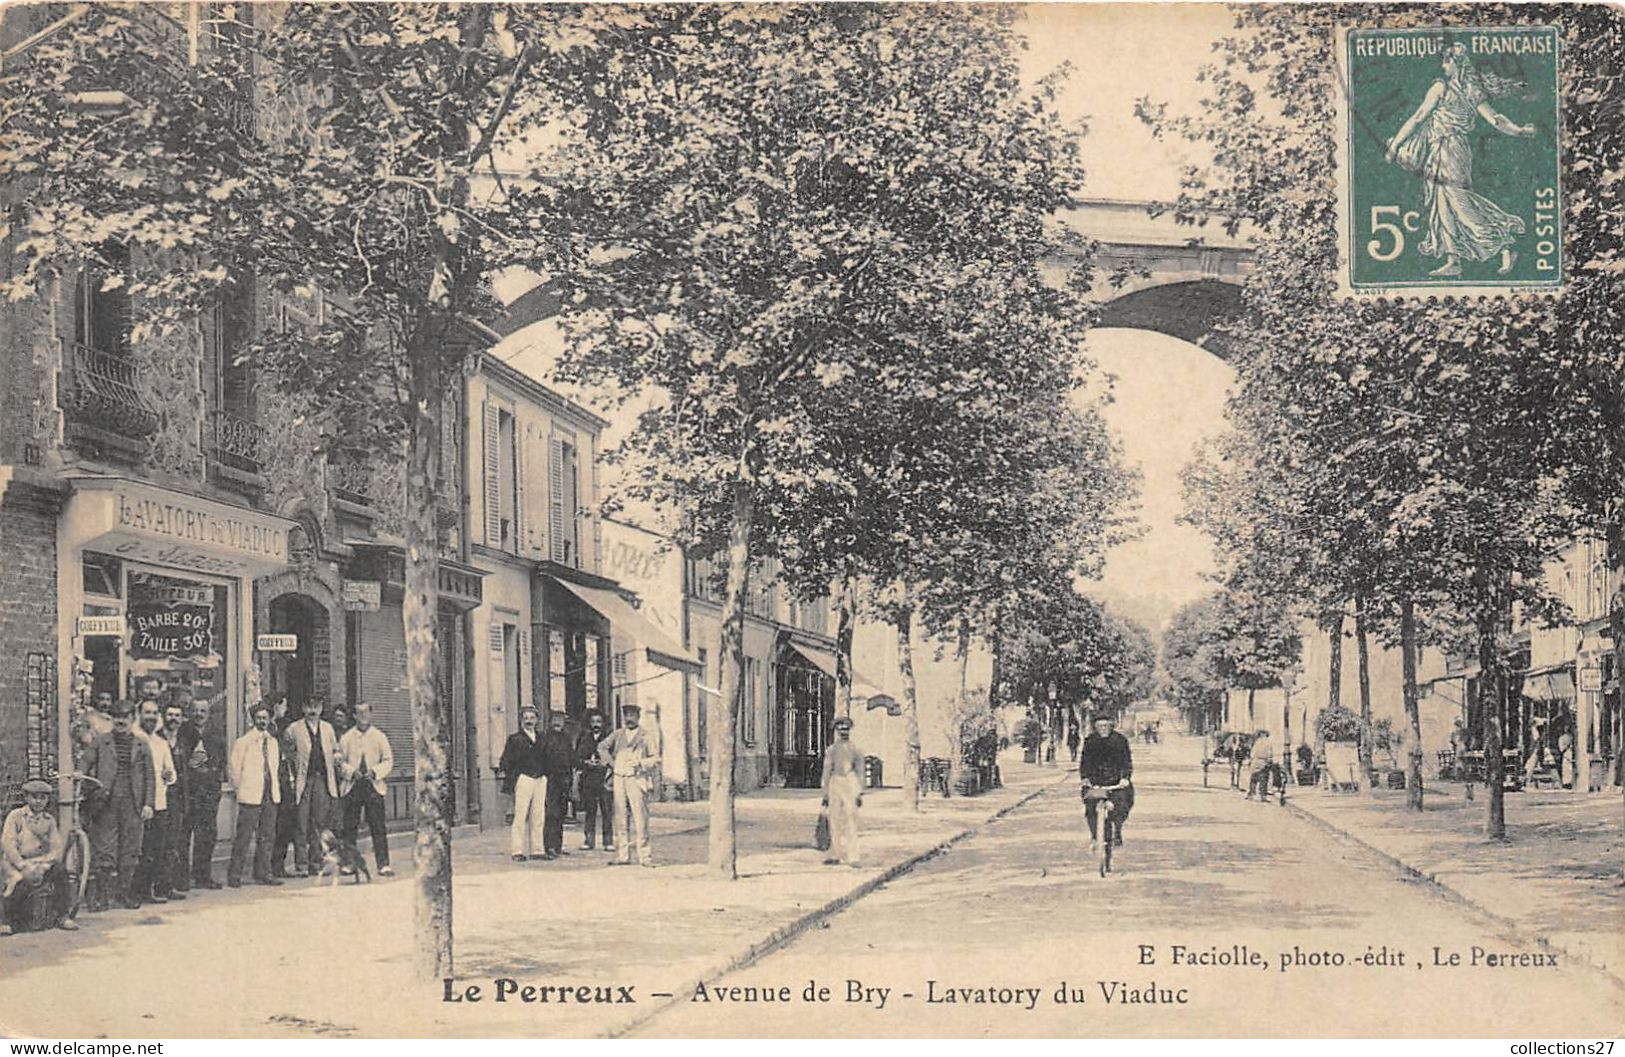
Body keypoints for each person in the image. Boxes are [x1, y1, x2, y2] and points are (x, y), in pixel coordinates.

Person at [1385, 42, 1537, 278]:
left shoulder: (1442, 88)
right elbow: (1495, 119)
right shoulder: (1470, 90)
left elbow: (1418, 118)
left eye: (1447, 61)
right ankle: (1453, 259)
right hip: (1443, 149)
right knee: (1442, 202)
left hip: (1451, 149)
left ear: (1456, 63)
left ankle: (1504, 244)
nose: (1443, 66)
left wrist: (1395, 146)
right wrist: (1518, 131)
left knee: (1458, 200)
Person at [81, 698, 156, 911]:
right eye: (117, 717)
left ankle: (124, 893)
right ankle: (103, 897)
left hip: (133, 803)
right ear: (112, 719)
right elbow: (85, 761)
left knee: (131, 850)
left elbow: (150, 776)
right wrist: (81, 775)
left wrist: (148, 803)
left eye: (125, 716)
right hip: (107, 802)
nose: (121, 721)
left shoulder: (141, 744)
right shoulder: (101, 741)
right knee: (105, 850)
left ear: (133, 719)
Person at [2, 779, 77, 932]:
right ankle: (8, 921)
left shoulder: (49, 821)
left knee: (60, 871)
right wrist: (22, 865)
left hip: (40, 864)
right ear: (27, 798)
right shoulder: (16, 817)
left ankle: (62, 916)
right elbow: (8, 844)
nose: (38, 801)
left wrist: (45, 865)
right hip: (17, 863)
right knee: (16, 882)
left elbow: (56, 848)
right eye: (34, 797)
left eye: (43, 797)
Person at [228, 701, 283, 887]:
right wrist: (239, 790)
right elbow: (234, 769)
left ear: (270, 719)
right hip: (250, 795)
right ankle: (235, 875)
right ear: (253, 720)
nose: (262, 721)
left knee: (267, 836)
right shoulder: (243, 742)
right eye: (258, 718)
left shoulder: (273, 742)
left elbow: (274, 769)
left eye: (265, 718)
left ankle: (263, 873)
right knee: (243, 837)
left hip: (270, 794)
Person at [174, 691, 225, 889]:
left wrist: (215, 784)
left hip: (208, 794)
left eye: (203, 710)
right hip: (188, 793)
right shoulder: (182, 732)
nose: (199, 714)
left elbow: (220, 761)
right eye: (195, 710)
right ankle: (181, 879)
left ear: (209, 713)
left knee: (207, 836)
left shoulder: (215, 734)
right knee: (183, 836)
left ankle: (203, 876)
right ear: (189, 712)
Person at [337, 702, 395, 877]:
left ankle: (383, 864)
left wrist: (375, 772)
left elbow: (388, 760)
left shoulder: (379, 737)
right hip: (353, 786)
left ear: (371, 714)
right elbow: (339, 761)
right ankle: (349, 863)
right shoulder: (346, 738)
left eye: (366, 713)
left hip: (373, 786)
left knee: (378, 826)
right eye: (359, 713)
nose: (363, 716)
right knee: (350, 827)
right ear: (354, 716)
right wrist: (350, 771)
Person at [283, 697, 339, 877]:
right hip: (303, 780)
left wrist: (337, 758)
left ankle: (316, 862)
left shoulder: (328, 729)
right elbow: (287, 754)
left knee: (319, 822)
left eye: (316, 706)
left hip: (321, 780)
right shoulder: (294, 728)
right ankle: (301, 864)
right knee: (301, 822)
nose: (313, 710)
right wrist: (293, 775)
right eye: (309, 706)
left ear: (321, 708)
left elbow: (336, 750)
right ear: (303, 707)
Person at [131, 699, 179, 904]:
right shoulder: (132, 739)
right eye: (147, 713)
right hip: (136, 804)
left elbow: (172, 772)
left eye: (154, 713)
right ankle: (132, 892)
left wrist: (169, 775)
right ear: (139, 714)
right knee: (136, 850)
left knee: (154, 850)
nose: (150, 717)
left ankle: (148, 890)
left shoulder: (161, 743)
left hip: (159, 803)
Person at [599, 705, 658, 867]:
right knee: (620, 818)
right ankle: (623, 855)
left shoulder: (646, 736)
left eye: (632, 715)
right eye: (626, 715)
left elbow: (655, 758)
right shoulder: (618, 734)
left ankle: (645, 857)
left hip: (637, 779)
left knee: (640, 818)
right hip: (619, 779)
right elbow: (602, 747)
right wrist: (611, 763)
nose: (629, 718)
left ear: (638, 717)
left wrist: (641, 763)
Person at [499, 707, 548, 863]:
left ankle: (537, 849)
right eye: (525, 718)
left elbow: (549, 758)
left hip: (540, 779)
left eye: (532, 718)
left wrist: (546, 775)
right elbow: (506, 761)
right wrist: (513, 780)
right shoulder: (515, 739)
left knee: (538, 815)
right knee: (520, 815)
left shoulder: (542, 738)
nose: (529, 721)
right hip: (523, 779)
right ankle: (517, 850)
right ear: (521, 720)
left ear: (537, 720)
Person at [1079, 713, 1133, 852]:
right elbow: (1084, 762)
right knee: (1090, 808)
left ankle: (1117, 830)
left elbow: (1126, 762)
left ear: (1111, 726)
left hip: (1115, 781)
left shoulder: (1120, 740)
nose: (1103, 729)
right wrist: (1085, 778)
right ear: (1095, 727)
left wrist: (1125, 778)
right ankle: (1095, 836)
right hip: (1095, 782)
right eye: (1099, 726)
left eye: (1105, 726)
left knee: (1123, 805)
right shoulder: (1090, 741)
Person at [820, 716, 864, 867]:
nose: (843, 732)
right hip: (835, 782)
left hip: (850, 781)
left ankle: (853, 856)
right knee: (834, 819)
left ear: (850, 730)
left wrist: (859, 791)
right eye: (840, 729)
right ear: (836, 731)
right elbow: (826, 771)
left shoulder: (856, 749)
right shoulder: (831, 750)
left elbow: (860, 771)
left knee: (851, 818)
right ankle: (835, 854)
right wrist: (825, 792)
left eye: (846, 729)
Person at [160, 698, 191, 898]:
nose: (174, 719)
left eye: (177, 716)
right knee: (162, 842)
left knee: (176, 842)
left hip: (180, 798)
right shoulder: (157, 739)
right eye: (170, 715)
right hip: (161, 796)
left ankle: (172, 883)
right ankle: (161, 885)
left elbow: (195, 765)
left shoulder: (185, 741)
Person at [537, 712, 575, 860]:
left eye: (560, 720)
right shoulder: (544, 738)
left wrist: (583, 764)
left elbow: (571, 757)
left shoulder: (566, 738)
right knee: (551, 813)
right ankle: (549, 846)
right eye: (555, 720)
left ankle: (558, 846)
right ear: (550, 721)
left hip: (564, 780)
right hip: (550, 780)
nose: (558, 723)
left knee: (561, 813)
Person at [574, 711, 614, 852]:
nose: (596, 725)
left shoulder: (610, 738)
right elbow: (576, 758)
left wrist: (605, 764)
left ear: (603, 724)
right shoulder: (584, 738)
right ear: (589, 724)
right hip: (589, 780)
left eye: (599, 721)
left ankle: (608, 841)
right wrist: (586, 763)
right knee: (590, 811)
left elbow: (614, 758)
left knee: (607, 811)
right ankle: (588, 840)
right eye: (593, 722)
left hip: (604, 780)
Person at [1246, 729, 1275, 800]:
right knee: (1263, 779)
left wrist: (1251, 761)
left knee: (1253, 779)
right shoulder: (1268, 742)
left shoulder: (1257, 742)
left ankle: (1251, 794)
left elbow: (1252, 753)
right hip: (1263, 762)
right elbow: (1269, 753)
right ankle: (1263, 796)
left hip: (1255, 762)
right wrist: (1270, 761)